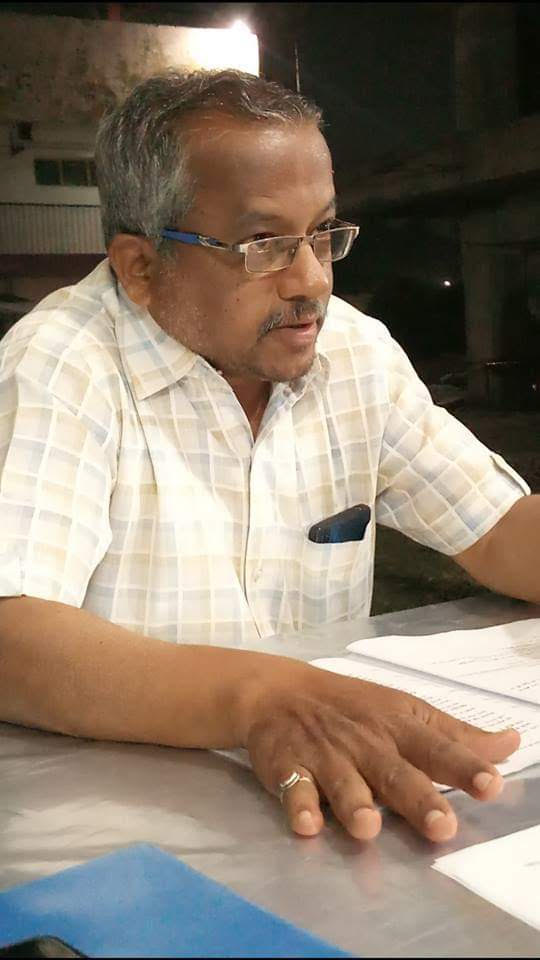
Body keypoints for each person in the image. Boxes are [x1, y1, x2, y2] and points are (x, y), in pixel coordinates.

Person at [0, 70, 536, 847]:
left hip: (327, 819)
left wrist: (291, 704)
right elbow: (13, 635)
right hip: (117, 830)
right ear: (141, 268)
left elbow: (501, 530)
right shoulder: (62, 365)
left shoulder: (353, 354)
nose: (312, 279)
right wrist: (261, 698)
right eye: (265, 246)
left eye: (323, 232)